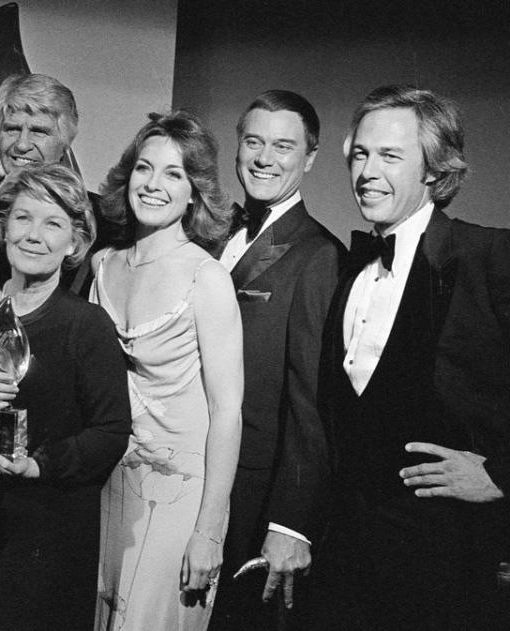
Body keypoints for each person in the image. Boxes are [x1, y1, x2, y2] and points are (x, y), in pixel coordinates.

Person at [313, 85, 510, 631]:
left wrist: (502, 475)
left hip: (447, 572)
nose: (367, 171)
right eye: (360, 154)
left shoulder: (487, 257)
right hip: (346, 566)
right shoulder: (348, 268)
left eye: (390, 156)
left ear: (434, 169)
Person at [0, 163, 130, 630]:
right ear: (2, 228)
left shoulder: (88, 326)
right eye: (23, 218)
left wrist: (39, 465)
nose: (34, 235)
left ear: (75, 242)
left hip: (51, 535)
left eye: (53, 223)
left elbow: (112, 432)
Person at [90, 111, 244, 631]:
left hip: (181, 495)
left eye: (173, 174)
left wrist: (209, 531)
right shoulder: (102, 266)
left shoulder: (208, 277)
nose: (153, 184)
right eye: (144, 168)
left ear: (195, 191)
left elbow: (227, 411)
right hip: (107, 482)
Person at [209, 91, 344, 630]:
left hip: (255, 495)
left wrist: (290, 521)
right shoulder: (213, 234)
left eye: (283, 146)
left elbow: (312, 404)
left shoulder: (318, 255)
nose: (264, 158)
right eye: (253, 142)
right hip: (191, 474)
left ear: (309, 158)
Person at [0, 73, 111, 334]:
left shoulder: (105, 220)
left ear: (65, 142)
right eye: (12, 128)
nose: (22, 145)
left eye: (39, 131)